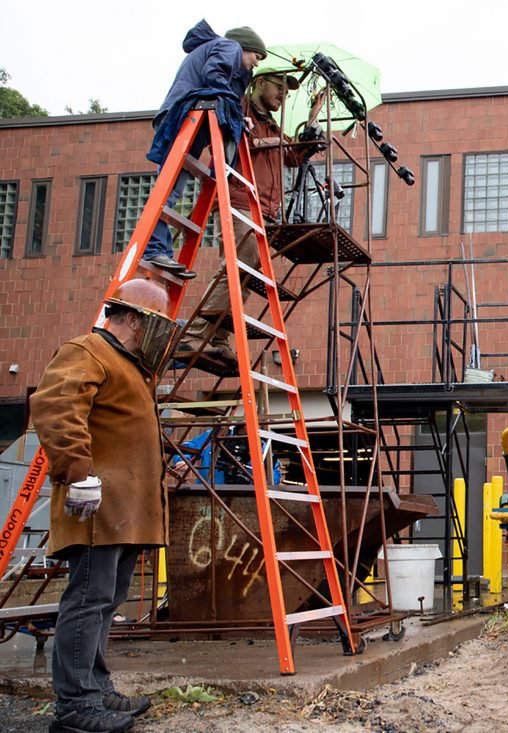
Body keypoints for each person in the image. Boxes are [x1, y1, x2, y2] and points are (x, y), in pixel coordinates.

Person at [29, 279, 177, 733]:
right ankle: (75, 705)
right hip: (97, 509)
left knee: (105, 600)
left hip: (123, 512)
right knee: (89, 601)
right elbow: (57, 407)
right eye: (156, 324)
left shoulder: (129, 365)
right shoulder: (88, 351)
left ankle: (95, 686)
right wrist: (77, 473)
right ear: (134, 320)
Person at [177, 71, 326, 360]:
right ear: (259, 82)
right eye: (280, 87)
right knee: (237, 269)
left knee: (244, 277)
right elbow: (244, 144)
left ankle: (217, 337)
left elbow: (292, 158)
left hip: (265, 209)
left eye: (288, 90)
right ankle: (195, 335)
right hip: (241, 199)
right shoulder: (238, 109)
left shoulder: (272, 125)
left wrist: (311, 120)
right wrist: (283, 143)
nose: (284, 94)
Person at [142, 20, 266, 280]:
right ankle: (153, 248)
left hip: (187, 116)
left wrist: (235, 113)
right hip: (186, 115)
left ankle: (159, 249)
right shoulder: (230, 47)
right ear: (245, 47)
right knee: (169, 190)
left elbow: (219, 86)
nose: (257, 63)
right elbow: (214, 76)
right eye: (257, 56)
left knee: (171, 190)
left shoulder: (222, 50)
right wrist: (232, 111)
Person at [169, 426, 283, 485]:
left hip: (243, 498)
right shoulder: (217, 435)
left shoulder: (263, 447)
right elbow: (189, 447)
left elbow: (275, 474)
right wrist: (182, 460)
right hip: (209, 491)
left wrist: (267, 477)